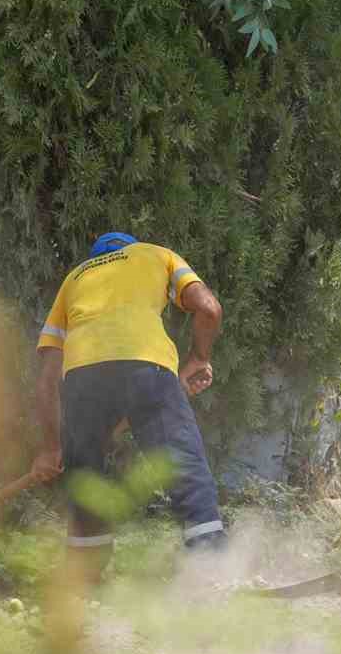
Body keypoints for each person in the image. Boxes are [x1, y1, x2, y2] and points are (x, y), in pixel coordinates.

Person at [28, 231, 227, 583]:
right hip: (147, 367)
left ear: (95, 258)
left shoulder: (74, 279)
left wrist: (50, 449)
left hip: (81, 377)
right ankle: (212, 569)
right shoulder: (158, 255)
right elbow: (209, 308)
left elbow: (46, 380)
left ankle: (84, 580)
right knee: (182, 464)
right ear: (131, 248)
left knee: (85, 479)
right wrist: (199, 357)